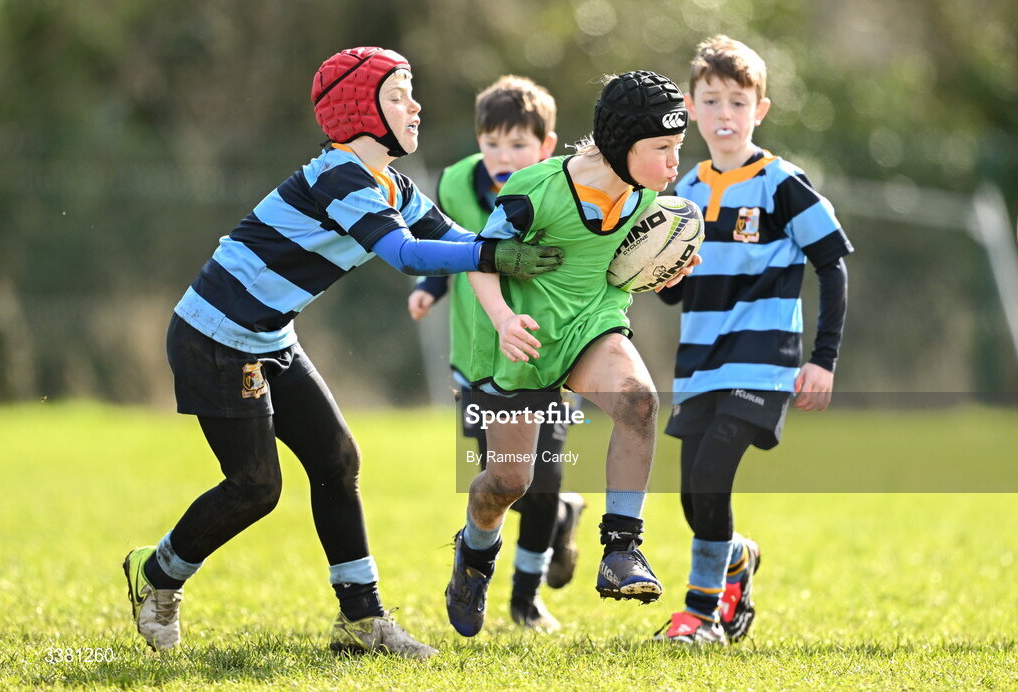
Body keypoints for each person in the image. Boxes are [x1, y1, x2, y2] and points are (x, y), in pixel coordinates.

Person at [121, 46, 564, 658]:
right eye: (398, 95)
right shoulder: (339, 175)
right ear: (360, 111)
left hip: (269, 337)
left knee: (337, 463)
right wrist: (490, 255)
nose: (415, 106)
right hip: (215, 337)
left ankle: (363, 623)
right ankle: (157, 572)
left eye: (411, 93)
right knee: (255, 488)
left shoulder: (392, 182)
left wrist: (530, 242)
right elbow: (406, 254)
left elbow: (460, 241)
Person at [443, 70, 702, 638]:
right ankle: (475, 551)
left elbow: (643, 276)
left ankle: (622, 549)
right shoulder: (536, 190)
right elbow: (480, 261)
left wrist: (670, 272)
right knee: (508, 483)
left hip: (592, 326)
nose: (674, 162)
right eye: (662, 148)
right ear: (620, 146)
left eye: (677, 148)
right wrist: (506, 320)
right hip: (522, 343)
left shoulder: (651, 199)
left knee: (638, 402)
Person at [652, 36, 853, 646]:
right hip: (699, 364)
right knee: (693, 497)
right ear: (690, 107)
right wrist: (661, 268)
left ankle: (702, 616)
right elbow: (670, 292)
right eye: (711, 101)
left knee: (711, 476)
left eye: (738, 103)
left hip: (762, 363)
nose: (724, 115)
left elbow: (832, 264)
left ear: (759, 110)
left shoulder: (781, 183)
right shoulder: (683, 190)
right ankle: (735, 558)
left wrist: (823, 360)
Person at [406, 75, 585, 632]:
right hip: (479, 357)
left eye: (518, 145)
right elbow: (450, 248)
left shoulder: (563, 188)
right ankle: (560, 519)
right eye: (492, 144)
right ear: (477, 141)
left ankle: (525, 600)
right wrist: (430, 289)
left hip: (546, 358)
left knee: (542, 477)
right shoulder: (456, 182)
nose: (503, 157)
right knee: (504, 479)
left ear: (546, 147)